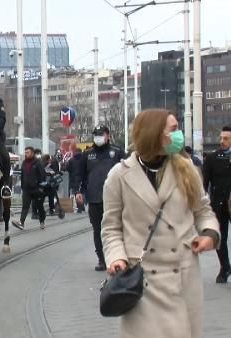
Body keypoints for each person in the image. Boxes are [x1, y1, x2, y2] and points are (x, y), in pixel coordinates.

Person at [102, 109, 219, 338]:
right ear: (154, 134)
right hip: (141, 280)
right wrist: (116, 256)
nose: (179, 135)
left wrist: (209, 234)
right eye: (173, 130)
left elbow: (203, 211)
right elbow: (111, 227)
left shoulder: (187, 170)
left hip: (182, 274)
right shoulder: (119, 175)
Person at [74, 125, 125, 271]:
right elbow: (80, 174)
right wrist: (78, 191)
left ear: (108, 135)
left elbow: (128, 171)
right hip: (95, 198)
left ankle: (117, 257)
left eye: (101, 134)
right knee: (98, 229)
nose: (98, 137)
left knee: (117, 228)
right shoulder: (87, 154)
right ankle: (101, 259)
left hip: (115, 199)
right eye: (96, 134)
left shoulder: (116, 152)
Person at [202, 125, 231, 283]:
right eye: (221, 138)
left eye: (226, 138)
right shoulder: (212, 159)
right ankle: (224, 267)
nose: (222, 141)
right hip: (219, 205)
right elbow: (204, 183)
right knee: (220, 238)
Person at [12, 147, 46, 230]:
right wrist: (22, 186)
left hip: (37, 189)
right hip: (26, 189)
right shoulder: (24, 163)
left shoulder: (38, 163)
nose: (25, 154)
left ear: (32, 153)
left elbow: (43, 176)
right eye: (25, 152)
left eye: (27, 152)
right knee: (25, 206)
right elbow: (23, 175)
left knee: (39, 206)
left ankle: (42, 221)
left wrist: (41, 188)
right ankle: (21, 223)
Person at [66, 148, 85, 213]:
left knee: (76, 193)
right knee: (81, 193)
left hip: (73, 178)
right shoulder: (83, 159)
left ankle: (79, 207)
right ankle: (82, 207)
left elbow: (67, 168)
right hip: (82, 178)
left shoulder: (71, 160)